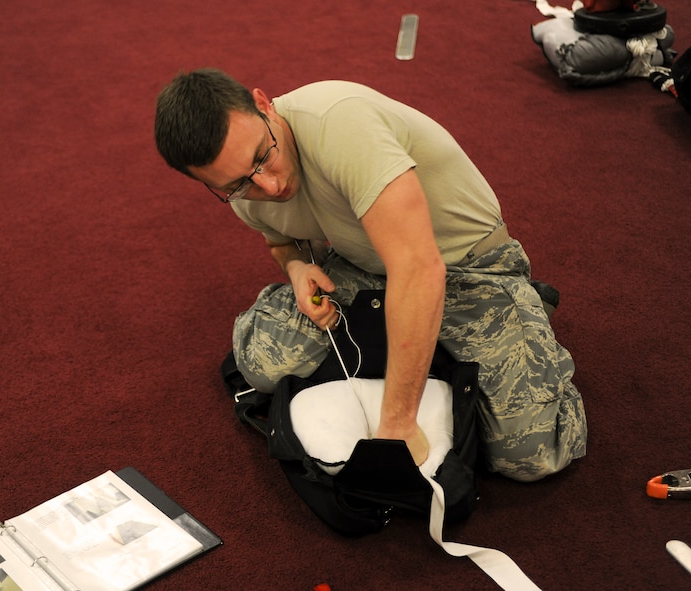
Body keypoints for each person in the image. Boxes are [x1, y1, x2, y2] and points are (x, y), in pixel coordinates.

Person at [154, 68, 587, 482]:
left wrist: (397, 425)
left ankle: (521, 311)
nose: (268, 187)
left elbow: (418, 269)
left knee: (531, 458)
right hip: (362, 266)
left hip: (466, 267)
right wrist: (298, 268)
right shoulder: (240, 191)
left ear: (263, 104)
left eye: (263, 157)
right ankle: (427, 348)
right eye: (239, 183)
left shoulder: (338, 122)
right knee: (261, 365)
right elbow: (280, 240)